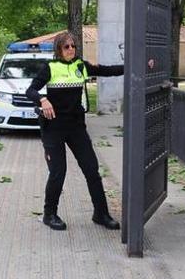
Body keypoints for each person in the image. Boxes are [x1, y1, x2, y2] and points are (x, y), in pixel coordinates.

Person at [25, 31, 124, 231]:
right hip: (53, 127)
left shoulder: (81, 66)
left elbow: (108, 70)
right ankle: (49, 214)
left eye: (73, 46)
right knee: (58, 172)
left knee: (92, 170)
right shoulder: (50, 68)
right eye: (67, 46)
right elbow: (31, 90)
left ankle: (101, 214)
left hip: (76, 126)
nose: (71, 49)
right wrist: (43, 100)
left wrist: (137, 65)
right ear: (59, 49)